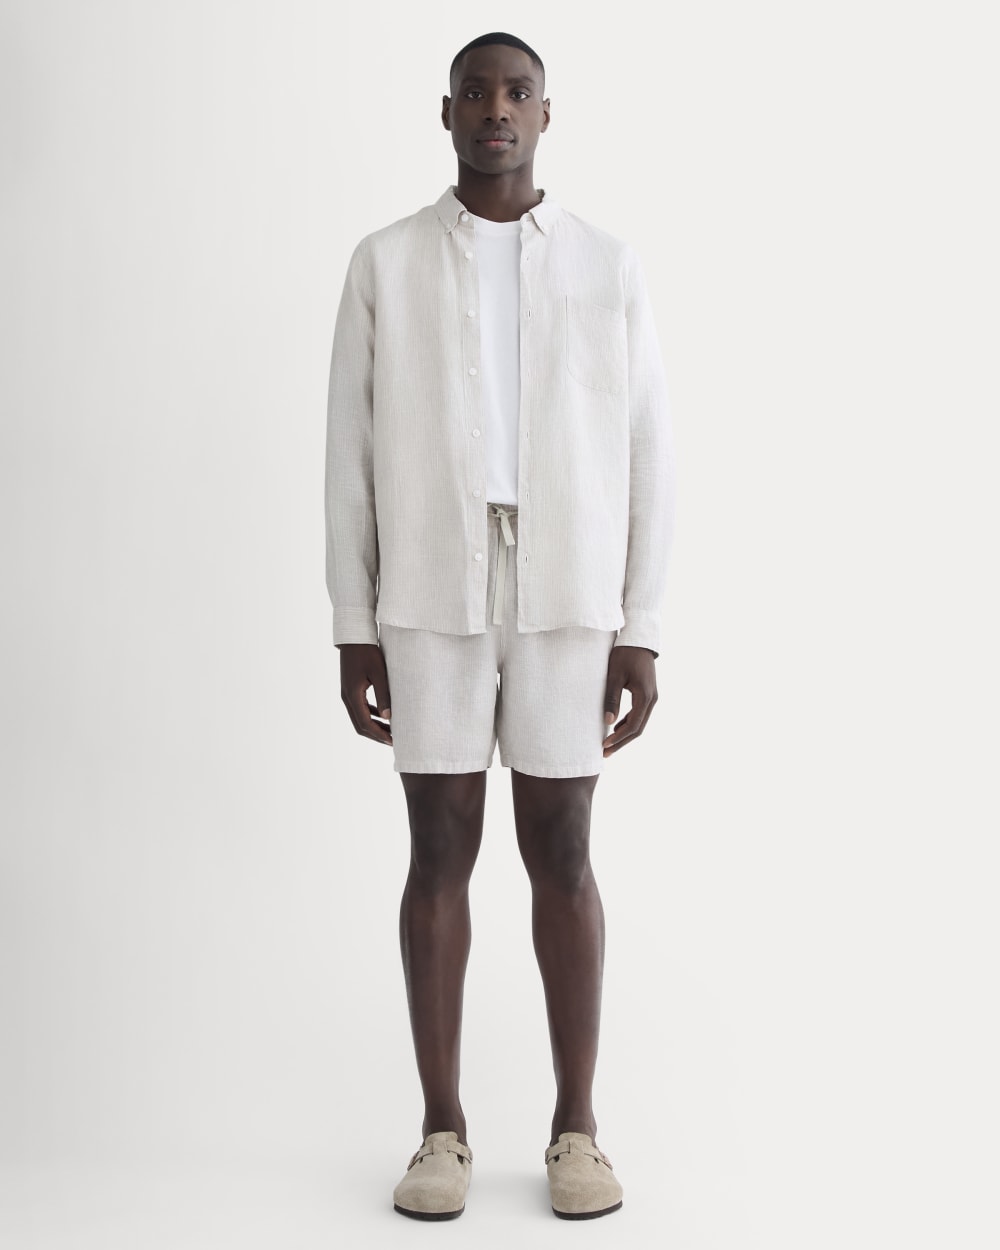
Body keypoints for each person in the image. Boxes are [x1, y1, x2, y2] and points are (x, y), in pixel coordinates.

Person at [325, 31, 674, 1221]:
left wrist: (641, 623)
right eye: (475, 92)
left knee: (563, 846)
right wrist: (353, 618)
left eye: (516, 92)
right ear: (445, 113)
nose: (495, 109)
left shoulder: (605, 264)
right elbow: (347, 450)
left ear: (544, 113)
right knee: (438, 846)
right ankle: (442, 1129)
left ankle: (578, 1128)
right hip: (430, 585)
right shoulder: (385, 262)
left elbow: (648, 446)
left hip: (569, 591)